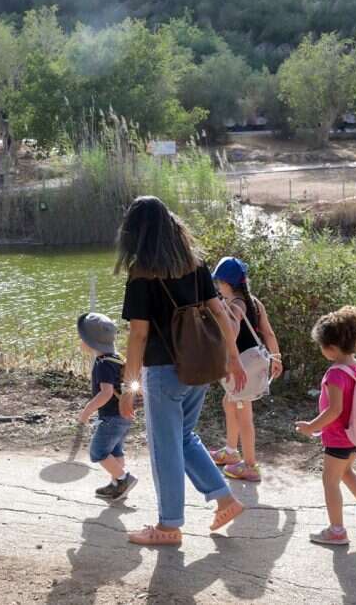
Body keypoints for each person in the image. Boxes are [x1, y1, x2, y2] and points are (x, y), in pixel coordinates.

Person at [116, 196, 246, 546]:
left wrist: (128, 388)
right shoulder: (195, 264)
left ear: (135, 232)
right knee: (184, 437)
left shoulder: (142, 274)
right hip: (200, 368)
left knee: (165, 449)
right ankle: (225, 500)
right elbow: (219, 311)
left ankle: (168, 526)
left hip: (164, 373)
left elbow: (138, 335)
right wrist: (233, 358)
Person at [295, 306, 356, 546]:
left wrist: (311, 427)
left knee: (330, 481)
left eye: (321, 346)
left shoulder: (335, 374)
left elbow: (334, 410)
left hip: (338, 437)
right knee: (346, 471)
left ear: (331, 348)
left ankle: (337, 531)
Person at [207, 257, 283, 483]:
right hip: (255, 362)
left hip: (242, 367)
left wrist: (222, 313)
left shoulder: (235, 305)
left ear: (225, 283)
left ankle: (250, 465)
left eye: (218, 282)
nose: (217, 286)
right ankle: (231, 452)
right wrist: (276, 357)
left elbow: (232, 332)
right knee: (228, 403)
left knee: (243, 414)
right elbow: (268, 333)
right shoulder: (255, 302)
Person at [76, 312, 138, 503]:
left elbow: (106, 393)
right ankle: (116, 485)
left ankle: (123, 479)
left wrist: (86, 412)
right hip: (123, 415)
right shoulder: (116, 358)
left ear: (91, 342)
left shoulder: (102, 364)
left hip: (111, 417)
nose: (80, 341)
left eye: (82, 338)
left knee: (98, 452)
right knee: (115, 451)